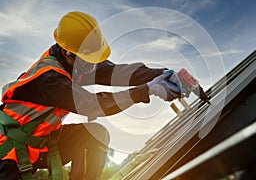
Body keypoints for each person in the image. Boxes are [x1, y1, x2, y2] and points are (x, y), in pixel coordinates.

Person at [0, 11, 181, 180]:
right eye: (89, 62)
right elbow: (92, 104)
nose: (92, 68)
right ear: (66, 52)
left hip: (39, 144)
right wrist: (147, 90)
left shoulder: (75, 62)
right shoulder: (49, 79)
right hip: (7, 157)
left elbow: (115, 72)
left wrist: (161, 74)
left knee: (95, 135)